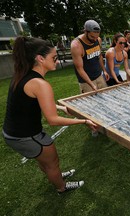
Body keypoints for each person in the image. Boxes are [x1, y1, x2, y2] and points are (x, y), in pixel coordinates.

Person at [2, 36, 98, 194]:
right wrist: (83, 121)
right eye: (54, 58)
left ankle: (57, 176)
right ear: (40, 58)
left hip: (13, 133)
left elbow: (29, 103)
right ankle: (62, 187)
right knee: (52, 162)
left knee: (44, 161)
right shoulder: (40, 84)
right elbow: (52, 120)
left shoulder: (21, 75)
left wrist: (60, 107)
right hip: (26, 135)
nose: (57, 60)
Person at [71, 20, 109, 93]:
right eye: (92, 37)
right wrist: (92, 85)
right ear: (85, 32)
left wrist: (104, 70)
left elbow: (99, 56)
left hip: (99, 76)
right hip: (86, 82)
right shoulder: (76, 46)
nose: (95, 39)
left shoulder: (98, 40)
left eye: (96, 37)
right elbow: (79, 69)